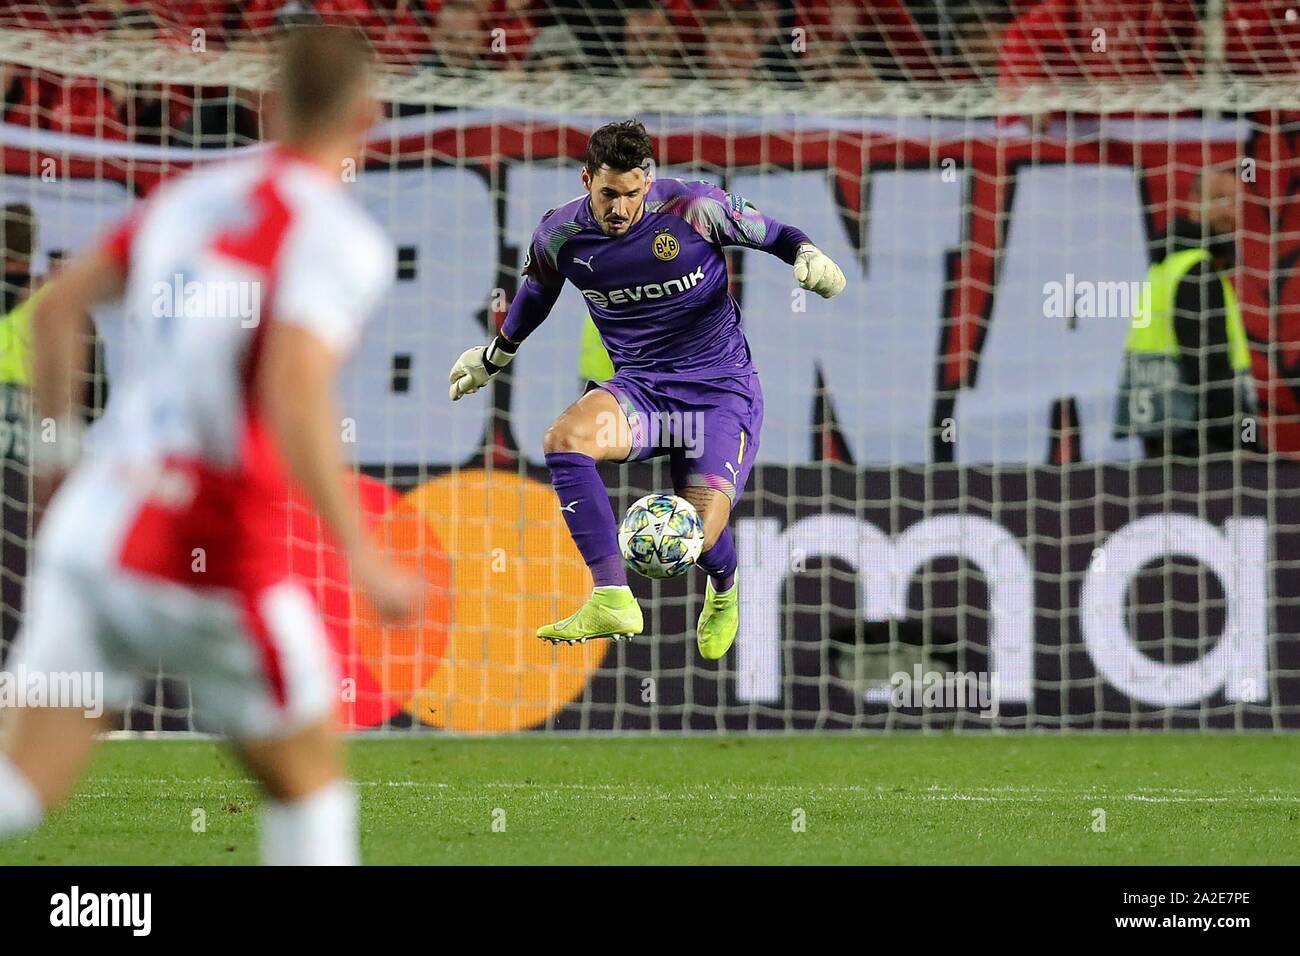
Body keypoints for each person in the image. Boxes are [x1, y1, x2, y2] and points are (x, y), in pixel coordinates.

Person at [0, 26, 419, 865]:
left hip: (94, 523)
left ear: (268, 105)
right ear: (369, 114)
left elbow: (54, 311)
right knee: (311, 785)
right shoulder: (338, 238)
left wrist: (56, 464)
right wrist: (363, 557)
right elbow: (294, 391)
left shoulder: (191, 198)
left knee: (19, 788)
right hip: (212, 545)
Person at [448, 119, 845, 660]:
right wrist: (496, 355)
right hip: (643, 394)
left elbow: (775, 234)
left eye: (631, 194)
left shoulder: (695, 207)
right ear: (587, 179)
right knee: (565, 439)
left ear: (647, 180)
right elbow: (539, 290)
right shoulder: (560, 234)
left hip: (718, 397)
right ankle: (612, 596)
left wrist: (807, 255)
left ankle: (725, 586)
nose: (619, 208)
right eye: (607, 194)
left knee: (696, 539)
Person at [1114, 165, 1256, 458]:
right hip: (1201, 441)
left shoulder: (1167, 264)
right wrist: (1246, 440)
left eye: (1234, 202)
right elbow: (1208, 365)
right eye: (1218, 199)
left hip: (1160, 432)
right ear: (1193, 200)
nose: (1228, 212)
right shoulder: (1196, 268)